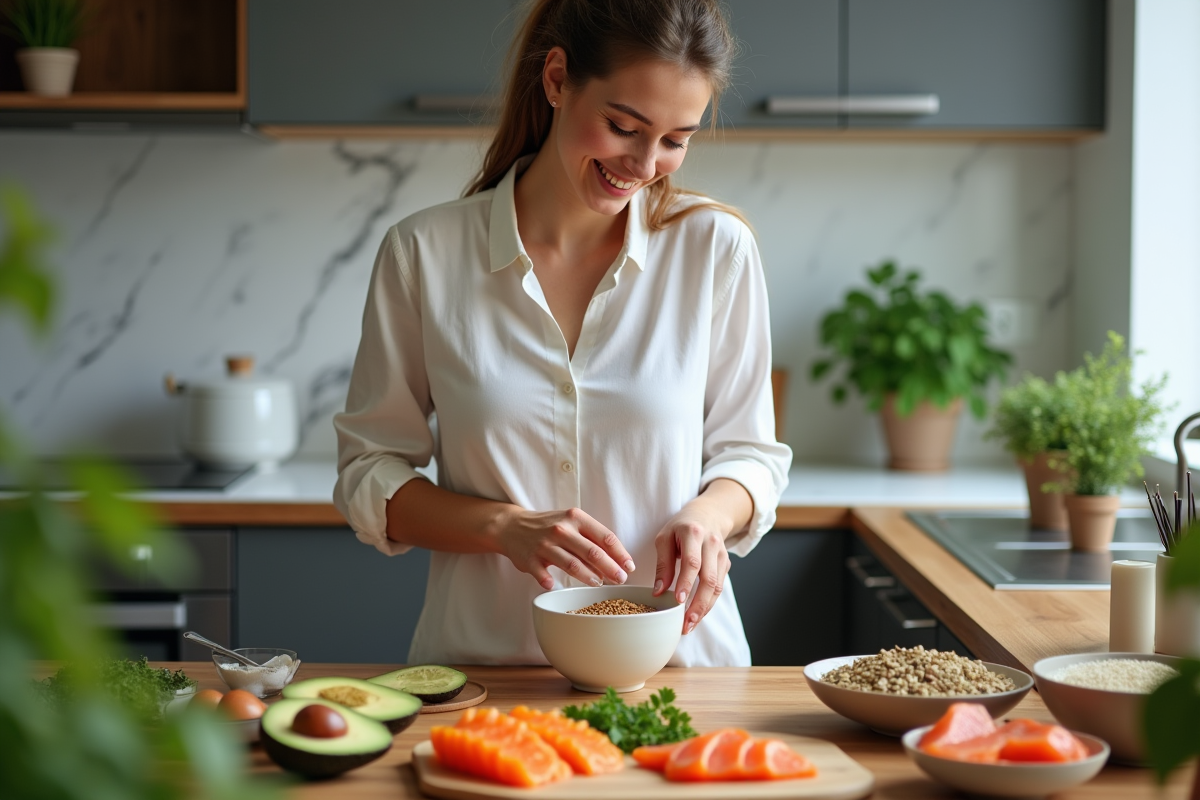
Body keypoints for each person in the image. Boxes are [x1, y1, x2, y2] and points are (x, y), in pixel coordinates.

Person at [333, 0, 792, 667]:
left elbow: (752, 456)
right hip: (487, 676)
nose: (644, 163)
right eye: (623, 126)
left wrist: (709, 517)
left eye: (675, 139)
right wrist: (503, 527)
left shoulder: (715, 250)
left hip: (681, 673)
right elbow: (368, 473)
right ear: (556, 80)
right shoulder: (423, 254)